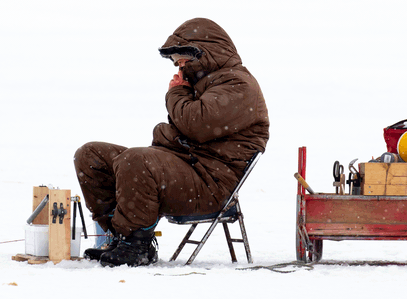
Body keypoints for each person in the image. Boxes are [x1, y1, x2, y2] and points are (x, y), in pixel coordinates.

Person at [74, 18, 270, 266]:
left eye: (183, 60)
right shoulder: (203, 85)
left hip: (209, 184)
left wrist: (176, 93)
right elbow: (186, 129)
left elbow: (194, 124)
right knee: (90, 155)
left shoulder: (238, 85)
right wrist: (170, 129)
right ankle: (120, 236)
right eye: (176, 62)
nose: (179, 67)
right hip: (186, 167)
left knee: (136, 160)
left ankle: (137, 245)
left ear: (204, 54)